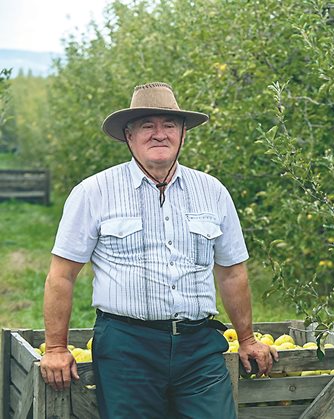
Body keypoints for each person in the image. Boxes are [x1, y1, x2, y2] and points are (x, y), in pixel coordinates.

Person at [39, 82, 278, 418]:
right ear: (129, 135)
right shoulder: (94, 192)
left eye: (169, 125)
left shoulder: (212, 191)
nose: (159, 134)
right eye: (147, 126)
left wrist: (248, 338)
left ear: (182, 134)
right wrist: (56, 348)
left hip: (199, 347)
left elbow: (233, 271)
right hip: (127, 347)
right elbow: (61, 276)